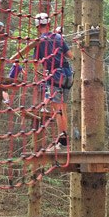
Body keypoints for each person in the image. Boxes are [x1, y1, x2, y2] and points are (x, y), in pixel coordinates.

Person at [33, 12, 73, 147]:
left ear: (37, 27)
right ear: (48, 24)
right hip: (68, 75)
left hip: (55, 76)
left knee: (58, 110)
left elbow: (35, 62)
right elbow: (70, 55)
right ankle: (64, 138)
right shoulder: (58, 37)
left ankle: (63, 141)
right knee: (63, 109)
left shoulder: (39, 42)